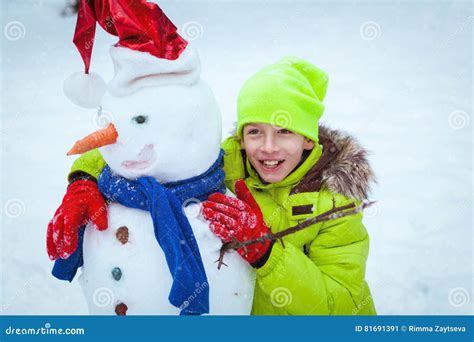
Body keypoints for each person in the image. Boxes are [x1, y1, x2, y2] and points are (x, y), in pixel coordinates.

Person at [47, 56, 377, 315]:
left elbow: (341, 306)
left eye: (284, 132)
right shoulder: (229, 162)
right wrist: (84, 179)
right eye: (255, 131)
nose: (268, 147)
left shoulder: (337, 205)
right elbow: (161, 154)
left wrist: (266, 253)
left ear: (308, 139)